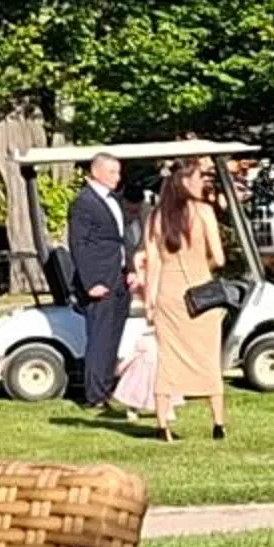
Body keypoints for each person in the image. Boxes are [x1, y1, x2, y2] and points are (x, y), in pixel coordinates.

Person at [138, 157, 230, 442]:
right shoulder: (203, 212)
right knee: (207, 358)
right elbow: (220, 257)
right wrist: (202, 266)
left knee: (168, 359)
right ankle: (217, 422)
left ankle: (162, 424)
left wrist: (149, 302)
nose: (202, 182)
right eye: (198, 178)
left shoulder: (155, 217)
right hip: (200, 294)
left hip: (168, 293)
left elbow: (152, 264)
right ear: (184, 183)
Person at [67, 152, 133, 409]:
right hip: (99, 281)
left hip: (118, 278)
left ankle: (106, 387)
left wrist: (130, 268)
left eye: (118, 172)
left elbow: (120, 239)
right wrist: (90, 281)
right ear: (96, 172)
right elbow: (79, 244)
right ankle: (94, 395)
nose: (117, 177)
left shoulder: (111, 201)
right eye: (112, 172)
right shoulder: (84, 202)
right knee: (99, 338)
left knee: (113, 337)